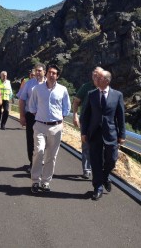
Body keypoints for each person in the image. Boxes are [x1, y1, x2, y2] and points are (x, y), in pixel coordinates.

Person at [80, 69, 126, 201]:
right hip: (94, 133)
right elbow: (86, 115)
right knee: (95, 161)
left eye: (99, 78)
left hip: (111, 133)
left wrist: (122, 135)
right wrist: (83, 132)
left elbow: (120, 117)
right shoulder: (91, 94)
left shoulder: (117, 95)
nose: (96, 80)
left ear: (106, 80)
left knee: (112, 159)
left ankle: (105, 176)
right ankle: (97, 187)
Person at [28, 64, 70, 194]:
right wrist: (40, 116)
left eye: (54, 73)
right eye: (50, 72)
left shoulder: (63, 90)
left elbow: (66, 108)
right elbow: (32, 106)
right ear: (46, 74)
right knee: (39, 151)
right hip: (40, 125)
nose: (52, 75)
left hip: (56, 127)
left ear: (57, 76)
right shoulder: (37, 89)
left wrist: (58, 119)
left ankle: (45, 182)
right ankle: (35, 180)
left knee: (51, 156)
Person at [72, 66, 103, 179]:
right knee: (86, 146)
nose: (95, 76)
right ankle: (87, 169)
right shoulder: (86, 87)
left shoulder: (105, 88)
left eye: (97, 75)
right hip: (86, 122)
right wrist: (75, 115)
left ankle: (98, 168)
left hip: (100, 123)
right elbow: (76, 102)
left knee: (100, 147)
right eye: (93, 74)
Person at [18, 63, 46, 173]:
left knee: (45, 140)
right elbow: (21, 99)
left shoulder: (48, 84)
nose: (37, 73)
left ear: (44, 71)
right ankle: (32, 163)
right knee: (31, 140)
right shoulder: (29, 84)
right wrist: (22, 116)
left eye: (40, 71)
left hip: (45, 117)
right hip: (31, 116)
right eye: (36, 71)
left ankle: (42, 160)